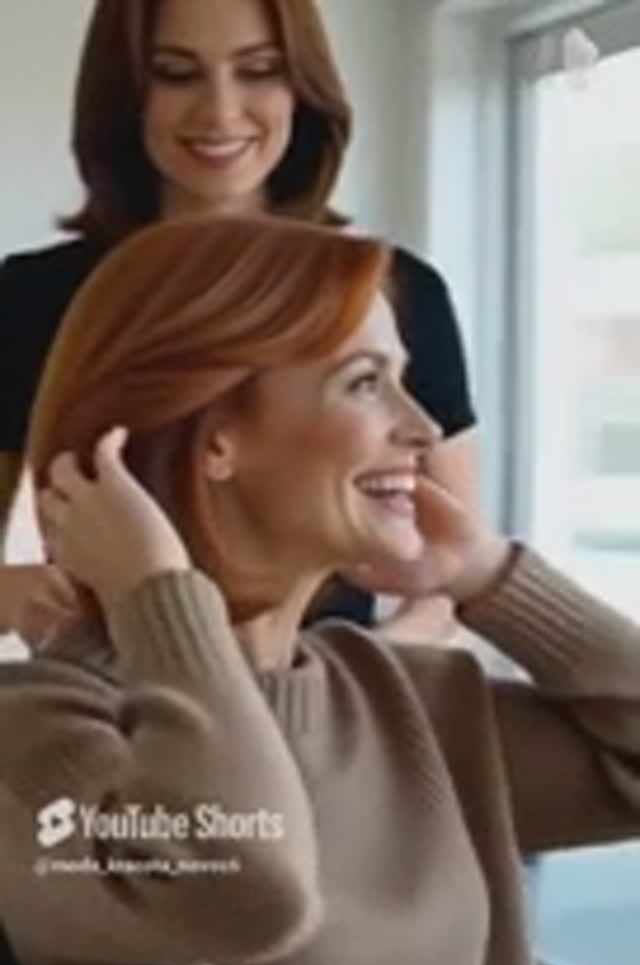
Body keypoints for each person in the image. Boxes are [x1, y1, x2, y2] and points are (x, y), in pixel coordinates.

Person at [1, 213, 639, 965]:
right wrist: (157, 595)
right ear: (215, 436)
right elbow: (249, 888)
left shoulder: (401, 701)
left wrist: (494, 577)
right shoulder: (39, 741)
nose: (422, 427)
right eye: (366, 383)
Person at [0, 0, 479, 648]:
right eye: (177, 74)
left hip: (324, 694)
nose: (220, 111)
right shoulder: (31, 298)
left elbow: (449, 567)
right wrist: (20, 593)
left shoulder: (393, 293)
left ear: (301, 87)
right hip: (111, 694)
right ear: (127, 92)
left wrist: (351, 678)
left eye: (257, 71)